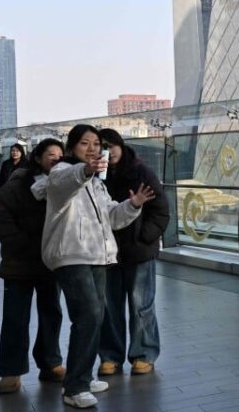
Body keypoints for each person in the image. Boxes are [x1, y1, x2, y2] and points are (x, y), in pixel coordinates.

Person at [34, 125, 156, 409]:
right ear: (72, 147)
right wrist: (86, 170)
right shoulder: (62, 172)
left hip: (98, 255)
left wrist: (133, 204)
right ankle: (74, 386)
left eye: (96, 143)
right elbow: (68, 181)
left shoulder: (97, 184)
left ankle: (83, 377)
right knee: (88, 314)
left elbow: (112, 217)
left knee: (94, 317)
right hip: (71, 255)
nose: (92, 148)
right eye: (85, 143)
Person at [0, 139, 66, 395]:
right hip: (19, 262)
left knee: (51, 313)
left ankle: (50, 363)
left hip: (48, 262)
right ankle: (11, 372)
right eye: (50, 154)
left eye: (59, 155)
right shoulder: (20, 182)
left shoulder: (62, 183)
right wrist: (20, 243)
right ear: (38, 157)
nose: (55, 158)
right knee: (15, 318)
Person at [96, 128, 169, 377]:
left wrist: (144, 237)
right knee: (109, 306)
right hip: (107, 252)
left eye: (111, 144)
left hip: (138, 253)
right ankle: (110, 356)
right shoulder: (95, 177)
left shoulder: (140, 171)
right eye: (102, 146)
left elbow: (161, 209)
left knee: (141, 306)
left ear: (120, 144)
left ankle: (144, 353)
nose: (108, 151)